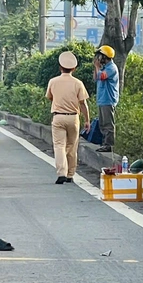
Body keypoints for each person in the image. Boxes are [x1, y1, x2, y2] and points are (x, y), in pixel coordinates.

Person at [46, 50, 89, 185]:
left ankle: (61, 173)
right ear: (74, 69)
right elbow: (83, 103)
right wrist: (87, 120)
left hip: (58, 117)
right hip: (73, 118)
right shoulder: (78, 83)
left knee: (59, 146)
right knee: (72, 146)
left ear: (60, 67)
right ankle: (70, 174)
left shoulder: (53, 81)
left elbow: (49, 97)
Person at [94, 44, 119, 151]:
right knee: (102, 124)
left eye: (100, 56)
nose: (98, 58)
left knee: (108, 124)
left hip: (108, 99)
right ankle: (104, 143)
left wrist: (97, 67)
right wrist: (96, 67)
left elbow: (102, 76)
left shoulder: (111, 68)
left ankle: (109, 145)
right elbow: (95, 78)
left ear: (105, 57)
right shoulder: (103, 68)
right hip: (102, 99)